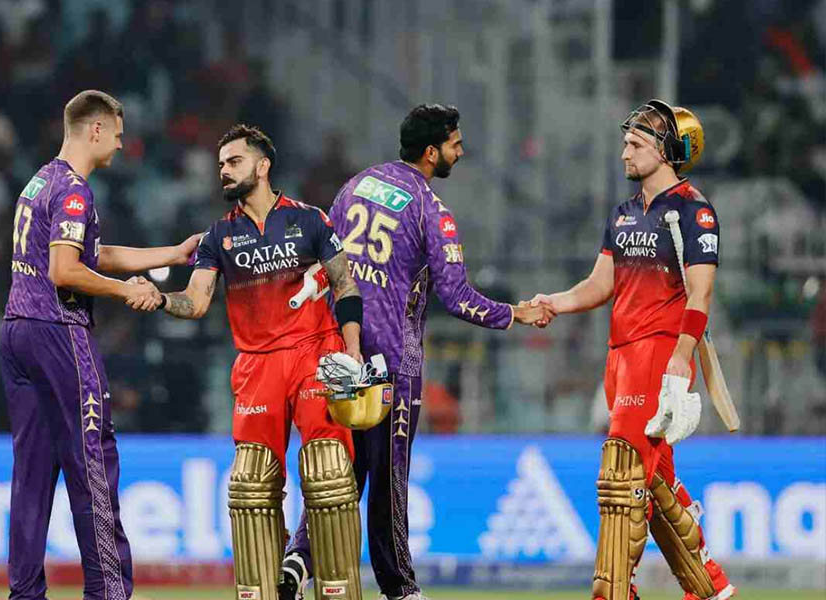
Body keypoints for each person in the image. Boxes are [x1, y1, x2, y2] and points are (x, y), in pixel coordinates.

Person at [282, 104, 550, 600]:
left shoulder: (356, 185)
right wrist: (516, 313)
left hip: (339, 351)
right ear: (431, 152)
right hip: (391, 363)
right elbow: (458, 297)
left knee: (344, 473)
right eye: (455, 143)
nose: (460, 151)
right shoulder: (431, 210)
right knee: (389, 481)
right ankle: (401, 589)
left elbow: (325, 261)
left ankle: (298, 561)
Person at [529, 99, 736, 600]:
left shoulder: (693, 211)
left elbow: (701, 294)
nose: (624, 152)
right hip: (619, 354)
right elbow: (600, 285)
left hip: (659, 353)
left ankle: (614, 592)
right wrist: (554, 302)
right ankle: (711, 587)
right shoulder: (622, 215)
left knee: (621, 473)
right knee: (655, 482)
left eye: (635, 143)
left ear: (665, 151)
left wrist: (680, 359)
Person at [0, 90, 201, 600]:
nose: (121, 144)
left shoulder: (39, 181)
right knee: (93, 462)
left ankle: (25, 594)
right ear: (95, 129)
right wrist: (125, 291)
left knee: (31, 474)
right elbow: (65, 270)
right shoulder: (74, 190)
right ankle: (109, 592)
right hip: (60, 331)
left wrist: (171, 254)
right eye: (117, 134)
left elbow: (95, 254)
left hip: (18, 329)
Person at [159, 124, 366, 600]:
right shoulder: (217, 237)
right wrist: (160, 299)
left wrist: (352, 349)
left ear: (263, 165)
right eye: (221, 165)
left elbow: (345, 285)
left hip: (317, 353)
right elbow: (196, 301)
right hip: (257, 364)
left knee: (329, 472)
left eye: (234, 161)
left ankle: (338, 592)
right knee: (251, 483)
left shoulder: (310, 220)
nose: (224, 171)